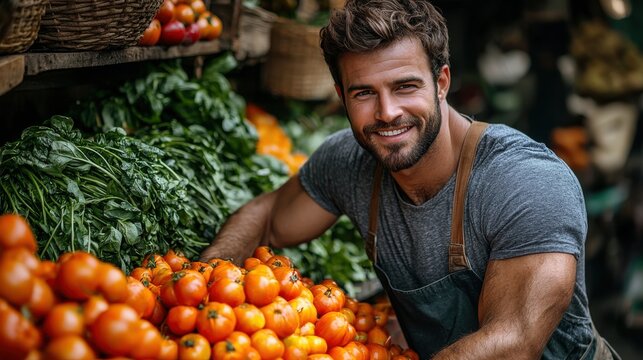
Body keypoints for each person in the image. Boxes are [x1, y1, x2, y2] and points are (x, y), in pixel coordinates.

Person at [200, 0, 620, 358]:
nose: (386, 113)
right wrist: (208, 278)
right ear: (340, 94)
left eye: (405, 87)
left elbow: (512, 344)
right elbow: (269, 213)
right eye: (363, 92)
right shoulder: (347, 161)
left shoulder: (524, 181)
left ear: (441, 82)